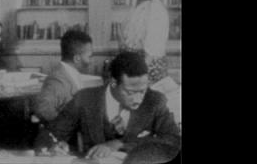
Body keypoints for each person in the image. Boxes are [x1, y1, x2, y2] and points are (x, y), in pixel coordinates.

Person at [34, 51, 180, 162]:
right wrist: (53, 147)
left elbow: (173, 139)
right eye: (130, 92)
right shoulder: (85, 99)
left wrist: (120, 144)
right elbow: (50, 134)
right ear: (113, 83)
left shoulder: (155, 101)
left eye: (142, 91)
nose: (138, 99)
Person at [118, 0, 170, 85]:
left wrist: (137, 72)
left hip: (147, 65)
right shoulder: (136, 6)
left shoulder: (155, 9)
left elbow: (152, 48)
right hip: (132, 63)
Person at [33, 30, 95, 123]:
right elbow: (43, 109)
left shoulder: (72, 74)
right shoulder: (57, 80)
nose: (90, 61)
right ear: (77, 58)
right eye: (89, 57)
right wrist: (68, 127)